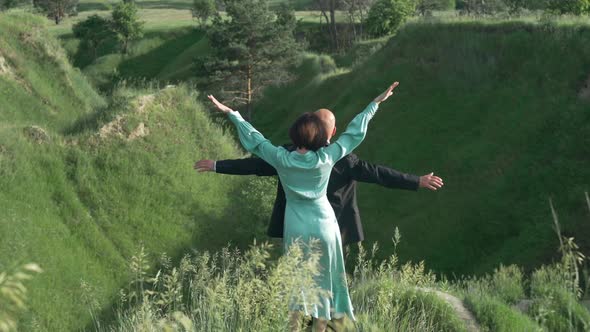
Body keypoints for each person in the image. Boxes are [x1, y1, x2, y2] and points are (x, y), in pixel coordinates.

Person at [205, 82, 398, 332]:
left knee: (296, 283)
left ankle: (294, 329)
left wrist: (232, 114)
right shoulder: (327, 158)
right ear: (320, 137)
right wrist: (375, 103)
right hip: (325, 225)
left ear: (294, 135)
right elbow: (353, 134)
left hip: (296, 225)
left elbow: (255, 140)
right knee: (326, 283)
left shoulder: (281, 158)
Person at [195, 115, 443, 246]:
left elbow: (255, 164)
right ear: (332, 132)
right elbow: (378, 174)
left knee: (301, 281)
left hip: (297, 227)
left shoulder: (289, 154)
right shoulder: (341, 158)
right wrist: (416, 181)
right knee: (328, 286)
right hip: (332, 230)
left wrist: (218, 165)